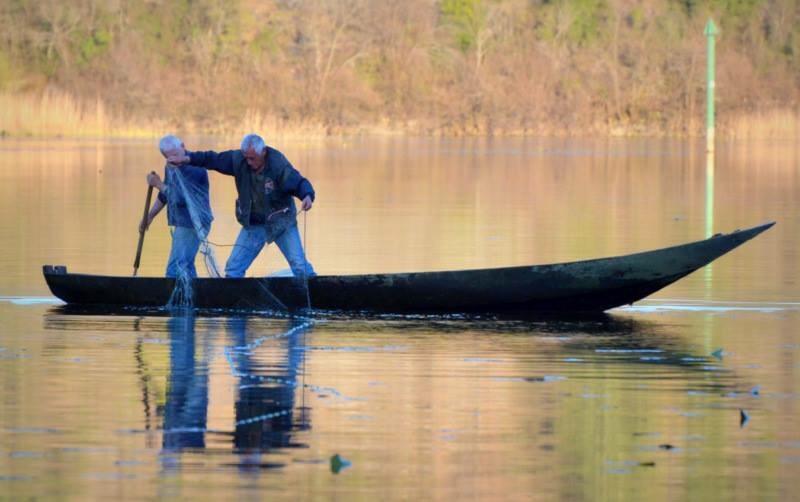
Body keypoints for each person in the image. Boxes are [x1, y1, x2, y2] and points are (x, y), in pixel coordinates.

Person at [164, 133, 315, 279]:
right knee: (233, 269)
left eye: (252, 158)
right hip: (254, 224)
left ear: (263, 152)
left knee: (299, 266)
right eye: (246, 157)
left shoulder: (277, 163)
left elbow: (298, 181)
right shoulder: (238, 160)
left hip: (281, 222)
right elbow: (212, 159)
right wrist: (187, 159)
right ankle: (232, 302)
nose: (249, 162)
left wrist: (307, 195)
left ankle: (316, 293)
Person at [140, 135, 213, 278]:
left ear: (183, 146)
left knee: (176, 268)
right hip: (183, 222)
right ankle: (193, 297)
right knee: (185, 265)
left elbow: (180, 198)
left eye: (175, 154)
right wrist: (149, 216)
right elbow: (166, 195)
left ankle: (179, 298)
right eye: (169, 157)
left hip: (195, 222)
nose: (173, 159)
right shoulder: (170, 166)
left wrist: (158, 184)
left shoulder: (195, 168)